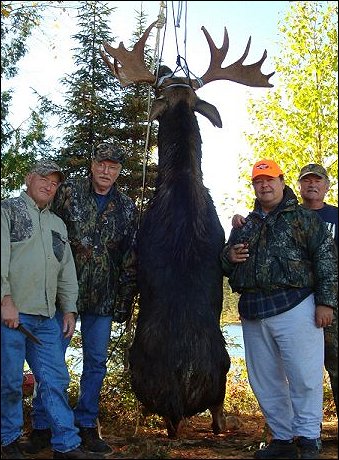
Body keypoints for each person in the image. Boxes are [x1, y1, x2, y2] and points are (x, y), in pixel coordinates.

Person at [25, 142, 138, 455]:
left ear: (118, 171)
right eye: (102, 164)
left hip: (103, 298)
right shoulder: (68, 193)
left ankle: (87, 425)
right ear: (92, 164)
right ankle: (42, 426)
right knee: (50, 362)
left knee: (96, 364)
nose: (106, 171)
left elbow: (130, 255)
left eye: (113, 166)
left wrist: (124, 300)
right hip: (63, 298)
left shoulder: (127, 207)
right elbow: (44, 232)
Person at [221, 159, 337, 459]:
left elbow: (325, 260)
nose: (265, 185)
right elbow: (223, 265)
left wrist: (325, 302)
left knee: (305, 376)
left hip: (296, 306)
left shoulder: (303, 219)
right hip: (253, 311)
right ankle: (283, 439)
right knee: (265, 380)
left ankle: (309, 438)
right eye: (259, 181)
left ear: (282, 181)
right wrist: (228, 255)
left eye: (270, 179)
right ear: (254, 186)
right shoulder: (244, 224)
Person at [1, 160, 93, 459]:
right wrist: (5, 301)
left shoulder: (57, 224)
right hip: (12, 316)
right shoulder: (7, 211)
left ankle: (66, 445)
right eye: (43, 178)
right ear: (29, 178)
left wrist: (69, 309)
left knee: (55, 380)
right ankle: (8, 440)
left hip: (45, 318)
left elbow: (66, 270)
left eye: (54, 183)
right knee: (9, 381)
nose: (49, 186)